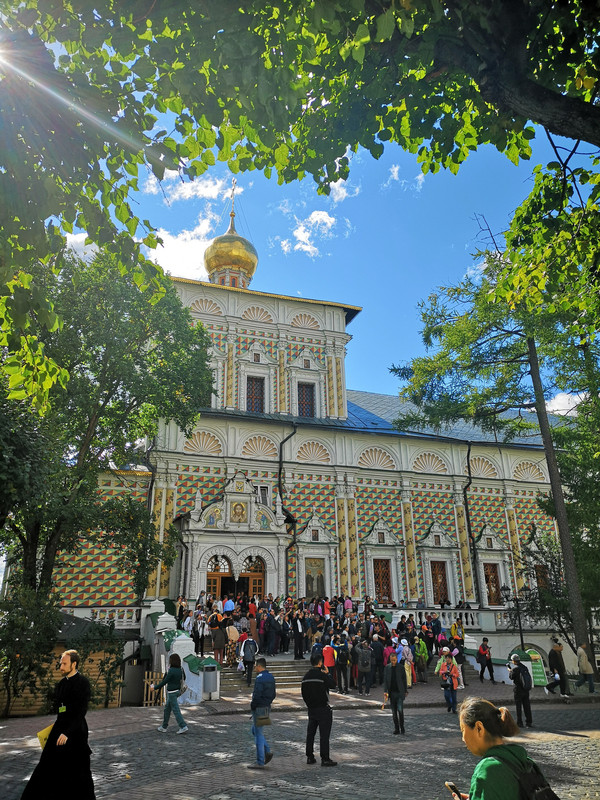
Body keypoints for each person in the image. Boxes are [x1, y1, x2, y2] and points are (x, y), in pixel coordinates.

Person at [447, 697, 557, 800]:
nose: (463, 739)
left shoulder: (488, 769)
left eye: (463, 730)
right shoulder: (524, 761)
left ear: (479, 728)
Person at [21, 649, 96, 799]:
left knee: (79, 770)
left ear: (74, 664)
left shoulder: (83, 683)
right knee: (47, 764)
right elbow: (60, 709)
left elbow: (81, 712)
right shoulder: (61, 684)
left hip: (76, 730)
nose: (61, 667)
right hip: (59, 727)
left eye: (64, 664)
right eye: (60, 664)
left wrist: (67, 732)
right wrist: (58, 728)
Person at [301, 652, 337, 766]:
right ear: (320, 663)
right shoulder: (322, 675)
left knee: (310, 733)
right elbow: (333, 684)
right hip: (323, 707)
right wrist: (328, 674)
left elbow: (303, 693)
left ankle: (309, 756)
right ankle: (325, 758)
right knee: (324, 735)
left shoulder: (306, 677)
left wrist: (309, 704)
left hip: (311, 708)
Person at [248, 658, 276, 769]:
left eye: (255, 666)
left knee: (258, 733)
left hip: (259, 707)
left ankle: (260, 761)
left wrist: (253, 706)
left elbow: (257, 695)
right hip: (266, 706)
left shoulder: (259, 678)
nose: (255, 668)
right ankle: (267, 751)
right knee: (255, 730)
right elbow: (273, 694)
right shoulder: (271, 677)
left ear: (259, 666)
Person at [152, 652, 188, 734]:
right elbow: (184, 678)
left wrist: (154, 687)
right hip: (178, 691)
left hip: (171, 692)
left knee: (176, 710)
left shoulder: (171, 671)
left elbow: (164, 681)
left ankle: (183, 726)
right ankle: (164, 726)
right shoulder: (181, 669)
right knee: (167, 709)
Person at [383, 650, 408, 734]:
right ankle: (396, 728)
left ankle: (402, 727)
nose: (393, 662)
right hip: (391, 692)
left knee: (400, 711)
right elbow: (385, 680)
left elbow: (404, 679)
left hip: (399, 692)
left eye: (394, 660)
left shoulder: (401, 667)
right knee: (394, 712)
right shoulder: (387, 667)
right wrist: (385, 691)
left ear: (397, 659)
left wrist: (405, 690)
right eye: (391, 660)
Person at [507, 654, 532, 728]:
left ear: (514, 661)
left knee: (518, 707)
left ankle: (519, 722)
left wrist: (510, 671)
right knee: (527, 706)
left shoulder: (515, 669)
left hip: (518, 690)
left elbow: (511, 677)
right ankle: (529, 722)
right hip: (526, 689)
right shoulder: (524, 667)